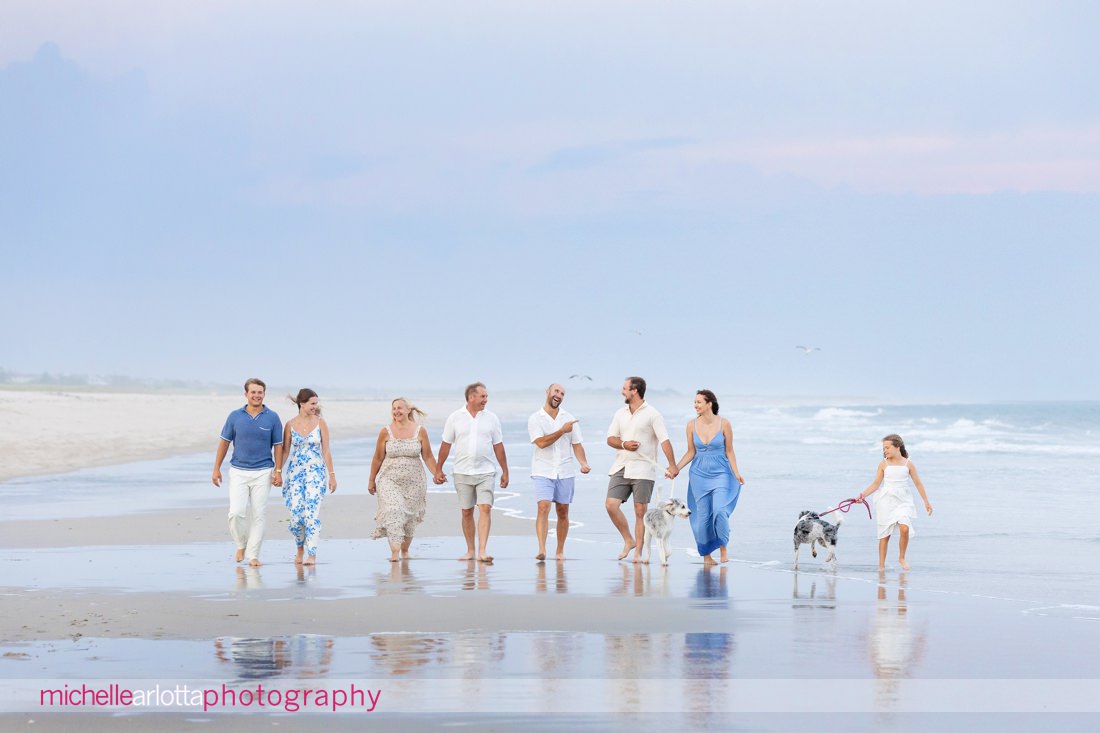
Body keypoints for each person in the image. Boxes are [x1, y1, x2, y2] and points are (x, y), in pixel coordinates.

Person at [605, 376, 678, 563]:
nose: (622, 391)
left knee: (640, 511)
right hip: (621, 465)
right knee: (611, 506)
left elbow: (664, 440)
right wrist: (624, 444)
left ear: (634, 390)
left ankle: (638, 552)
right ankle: (628, 540)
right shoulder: (620, 413)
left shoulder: (653, 414)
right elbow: (610, 439)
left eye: (624, 388)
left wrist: (672, 465)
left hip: (644, 469)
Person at [212, 378, 283, 567]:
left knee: (259, 514)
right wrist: (216, 468)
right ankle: (240, 544)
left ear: (264, 394)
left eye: (260, 392)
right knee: (236, 513)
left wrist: (278, 470)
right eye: (253, 392)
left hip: (263, 471)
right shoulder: (235, 416)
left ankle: (253, 555)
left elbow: (278, 446)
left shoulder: (273, 417)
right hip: (238, 471)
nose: (257, 395)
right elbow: (224, 443)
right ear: (246, 394)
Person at [435, 383, 509, 563]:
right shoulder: (455, 417)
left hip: (486, 471)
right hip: (462, 471)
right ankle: (470, 550)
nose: (486, 400)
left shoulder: (492, 418)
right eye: (483, 396)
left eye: (486, 396)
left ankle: (482, 551)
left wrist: (505, 471)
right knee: (467, 512)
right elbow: (446, 445)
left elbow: (498, 446)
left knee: (485, 508)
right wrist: (438, 469)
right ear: (471, 398)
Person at [670, 390, 745, 565]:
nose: (695, 405)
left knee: (719, 510)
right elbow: (691, 452)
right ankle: (707, 556)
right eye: (694, 402)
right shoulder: (690, 425)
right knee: (702, 516)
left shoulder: (724, 424)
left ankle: (723, 548)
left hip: (721, 473)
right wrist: (676, 468)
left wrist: (736, 472)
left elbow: (730, 451)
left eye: (699, 402)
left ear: (709, 403)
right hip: (698, 475)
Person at [368, 397, 441, 562]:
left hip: (415, 482)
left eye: (400, 408)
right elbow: (377, 458)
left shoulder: (420, 431)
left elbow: (428, 456)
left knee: (409, 519)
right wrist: (371, 480)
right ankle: (394, 553)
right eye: (394, 408)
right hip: (389, 480)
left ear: (409, 410)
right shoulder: (385, 431)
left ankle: (405, 550)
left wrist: (437, 473)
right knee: (394, 511)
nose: (396, 411)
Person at [528, 383, 591, 561]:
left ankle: (559, 550)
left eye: (562, 393)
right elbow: (540, 443)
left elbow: (577, 444)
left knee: (563, 511)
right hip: (542, 469)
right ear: (547, 392)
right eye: (556, 391)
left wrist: (583, 463)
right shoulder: (535, 418)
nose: (559, 395)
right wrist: (561, 430)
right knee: (543, 506)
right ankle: (542, 549)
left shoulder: (569, 418)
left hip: (565, 470)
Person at [856, 434, 933, 570]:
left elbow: (918, 483)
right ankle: (881, 567)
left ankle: (901, 557)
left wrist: (926, 501)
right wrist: (863, 495)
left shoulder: (908, 463)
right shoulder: (883, 463)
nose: (885, 450)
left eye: (887, 447)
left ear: (897, 447)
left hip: (903, 500)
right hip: (886, 501)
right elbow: (876, 484)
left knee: (905, 527)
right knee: (885, 535)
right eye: (883, 448)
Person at [279, 388, 336, 566]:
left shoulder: (321, 423)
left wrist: (332, 475)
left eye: (316, 403)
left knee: (311, 514)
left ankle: (312, 554)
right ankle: (299, 548)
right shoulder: (289, 424)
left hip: (316, 473)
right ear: (301, 404)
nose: (315, 406)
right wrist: (277, 471)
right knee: (296, 517)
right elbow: (285, 450)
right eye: (312, 403)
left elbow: (326, 450)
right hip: (295, 474)